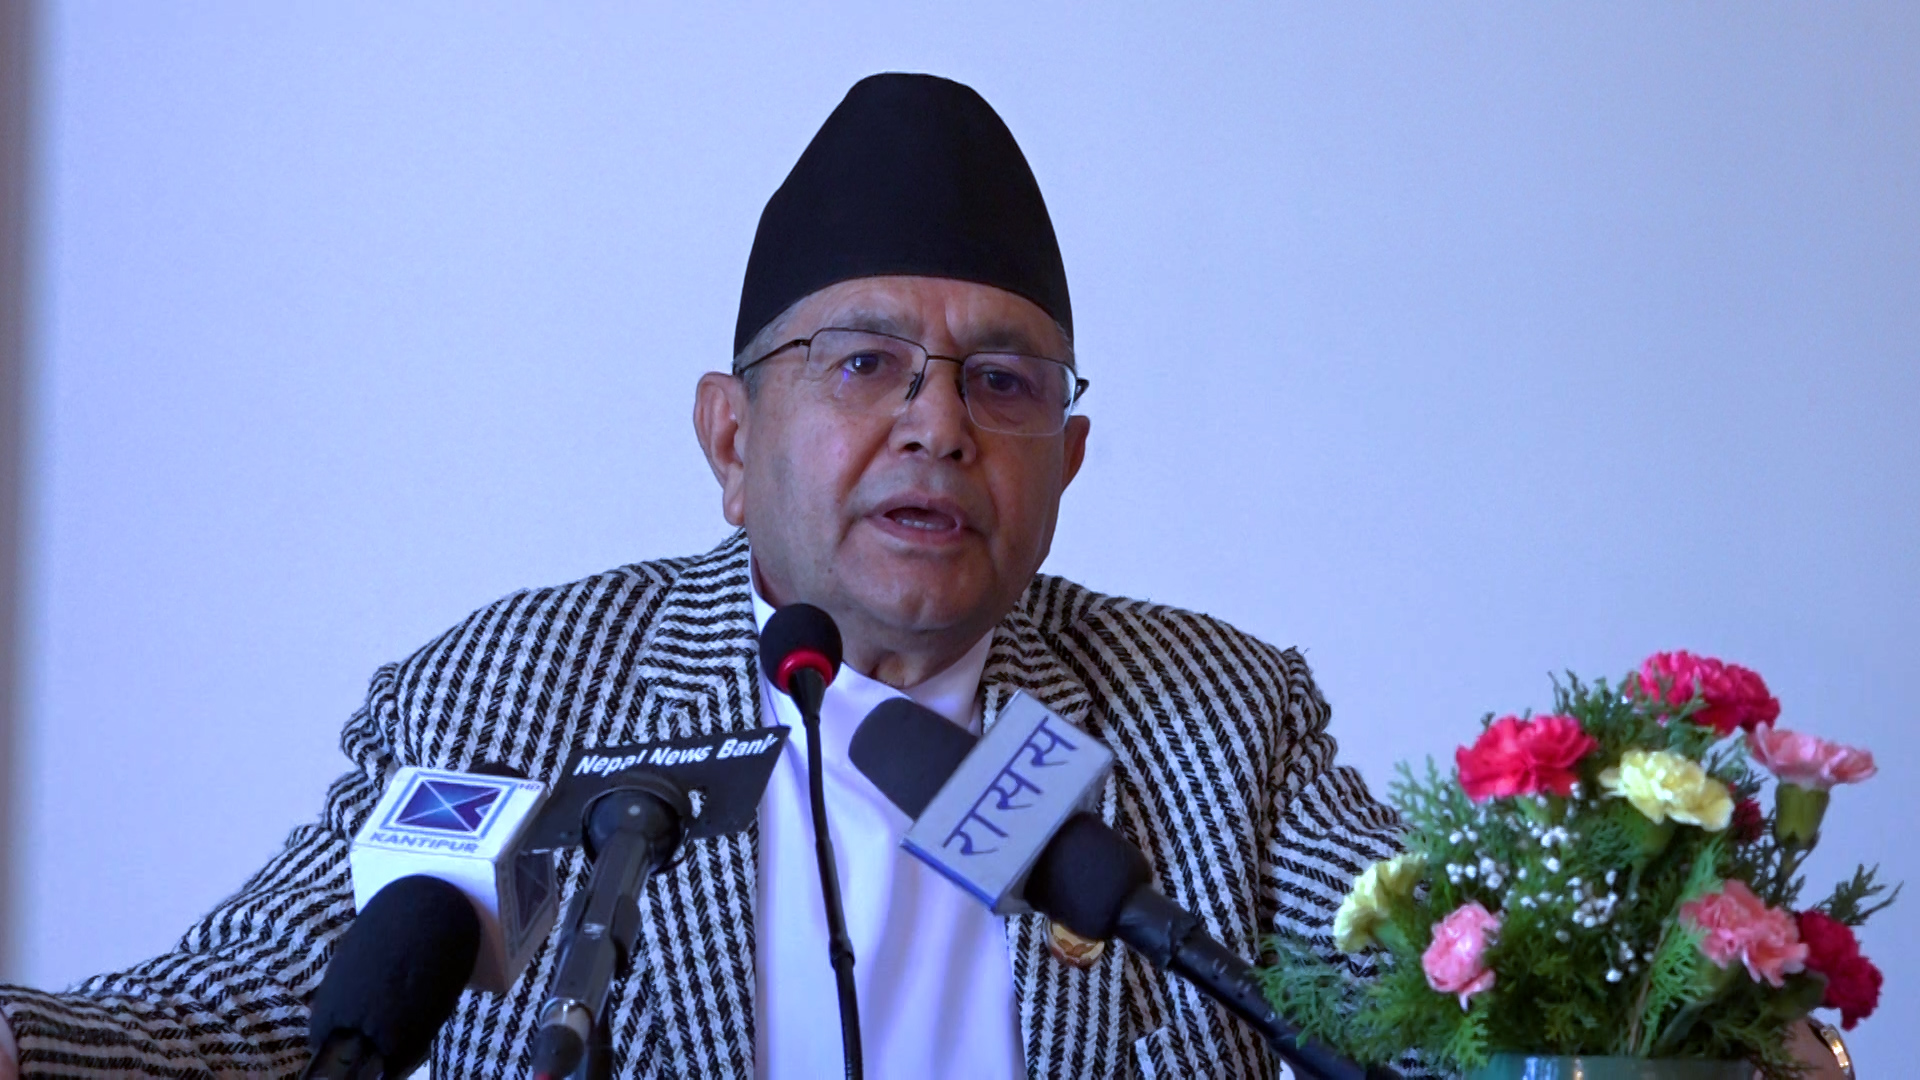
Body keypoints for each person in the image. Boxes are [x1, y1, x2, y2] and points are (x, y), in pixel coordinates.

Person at [0, 74, 1846, 1080]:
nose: (939, 426)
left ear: (1067, 459)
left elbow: (1419, 989)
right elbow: (237, 1011)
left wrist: (1680, 1021)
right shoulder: (510, 696)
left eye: (1004, 381)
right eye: (866, 362)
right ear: (730, 434)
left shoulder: (1218, 720)